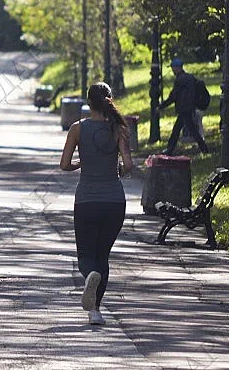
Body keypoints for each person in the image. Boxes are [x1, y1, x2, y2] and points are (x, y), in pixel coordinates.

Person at [60, 82, 133, 326]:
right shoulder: (118, 129)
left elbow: (64, 165)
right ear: (109, 100)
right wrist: (118, 168)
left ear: (88, 102)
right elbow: (129, 166)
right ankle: (96, 312)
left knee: (86, 258)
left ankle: (89, 277)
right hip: (114, 201)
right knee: (103, 256)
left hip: (87, 201)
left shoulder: (77, 129)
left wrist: (82, 164)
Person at [159, 58, 210, 155]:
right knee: (178, 130)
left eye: (173, 68)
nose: (172, 70)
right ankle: (170, 149)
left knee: (190, 131)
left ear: (177, 68)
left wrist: (161, 106)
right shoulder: (190, 77)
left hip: (184, 109)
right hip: (189, 108)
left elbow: (173, 96)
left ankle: (204, 149)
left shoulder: (179, 80)